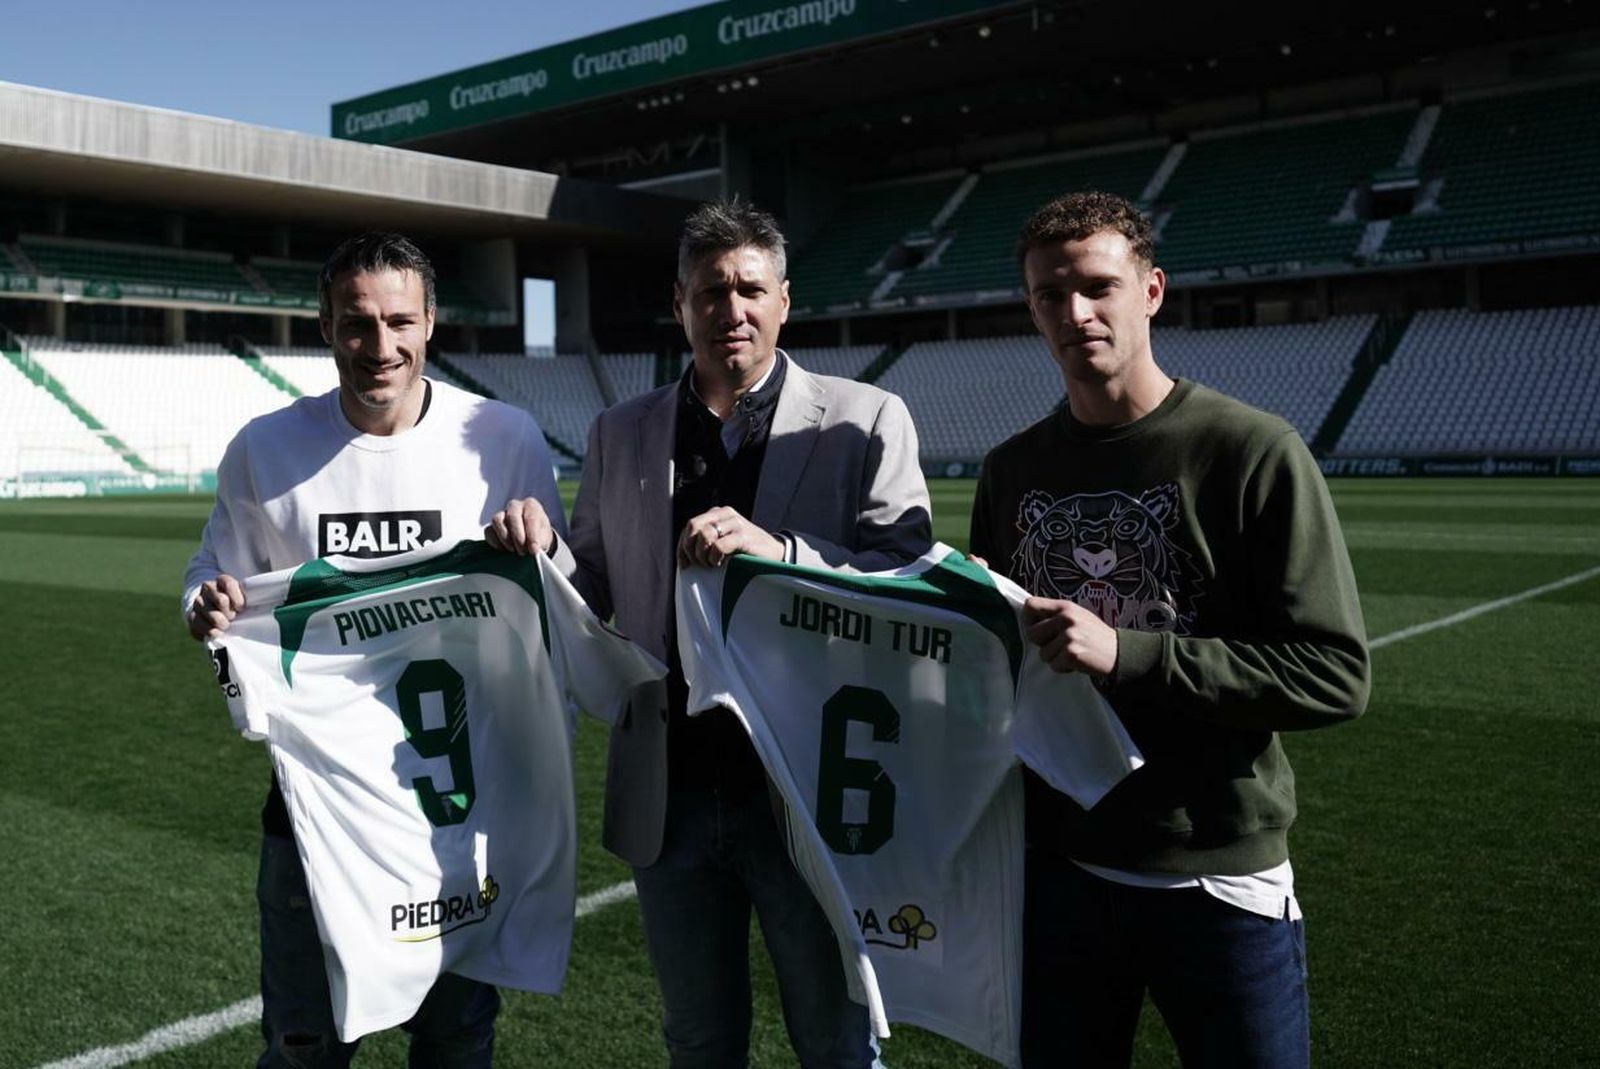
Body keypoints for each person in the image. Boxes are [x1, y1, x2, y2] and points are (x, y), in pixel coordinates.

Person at [489, 198, 931, 1068]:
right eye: (711, 290)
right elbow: (594, 586)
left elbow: (909, 589)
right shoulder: (621, 432)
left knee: (837, 1043)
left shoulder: (867, 419)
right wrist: (542, 555)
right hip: (671, 792)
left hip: (809, 790)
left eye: (749, 289)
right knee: (698, 1042)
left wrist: (784, 553)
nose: (732, 308)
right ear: (680, 300)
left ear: (785, 299)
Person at [969, 191, 1370, 1068]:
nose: (1075, 312)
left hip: (1217, 873)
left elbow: (1335, 674)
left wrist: (1129, 653)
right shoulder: (1012, 469)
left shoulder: (1251, 449)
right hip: (1061, 875)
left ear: (1151, 290)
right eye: (1049, 294)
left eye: (1098, 286)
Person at [184, 231, 566, 1068]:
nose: (380, 346)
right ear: (326, 324)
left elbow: (564, 605)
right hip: (314, 814)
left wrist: (545, 546)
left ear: (432, 322)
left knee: (457, 1044)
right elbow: (212, 570)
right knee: (303, 1051)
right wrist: (204, 601)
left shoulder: (503, 439)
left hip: (460, 814)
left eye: (400, 320)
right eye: (357, 323)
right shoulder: (265, 449)